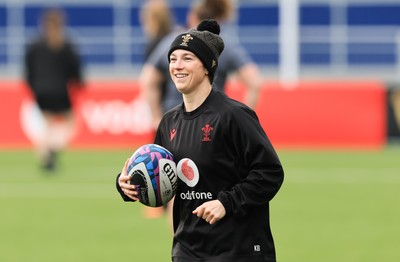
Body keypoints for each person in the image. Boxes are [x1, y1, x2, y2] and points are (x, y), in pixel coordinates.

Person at [117, 19, 284, 262]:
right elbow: (162, 179)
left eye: (187, 58)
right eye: (172, 59)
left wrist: (226, 203)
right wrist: (129, 185)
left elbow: (270, 172)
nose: (177, 66)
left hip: (238, 251)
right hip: (188, 251)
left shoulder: (234, 116)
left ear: (207, 67)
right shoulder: (169, 122)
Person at [24, 8, 84, 171]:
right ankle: (53, 149)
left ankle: (45, 154)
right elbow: (76, 70)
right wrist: (79, 84)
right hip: (60, 92)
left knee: (47, 124)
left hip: (41, 92)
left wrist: (33, 88)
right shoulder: (66, 45)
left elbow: (28, 70)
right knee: (71, 123)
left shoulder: (35, 45)